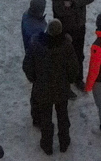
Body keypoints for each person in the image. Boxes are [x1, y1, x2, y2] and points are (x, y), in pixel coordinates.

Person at [27, 20, 77, 156]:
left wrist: (33, 79)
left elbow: (28, 65)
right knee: (62, 115)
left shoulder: (36, 45)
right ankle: (64, 142)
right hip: (61, 89)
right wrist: (70, 80)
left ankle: (46, 144)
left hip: (43, 90)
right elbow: (74, 68)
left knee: (45, 118)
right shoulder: (67, 46)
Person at [49, 0, 95, 83]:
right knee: (65, 56)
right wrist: (81, 0)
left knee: (79, 55)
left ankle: (78, 79)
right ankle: (66, 82)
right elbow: (60, 10)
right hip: (65, 28)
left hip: (79, 25)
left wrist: (73, 2)